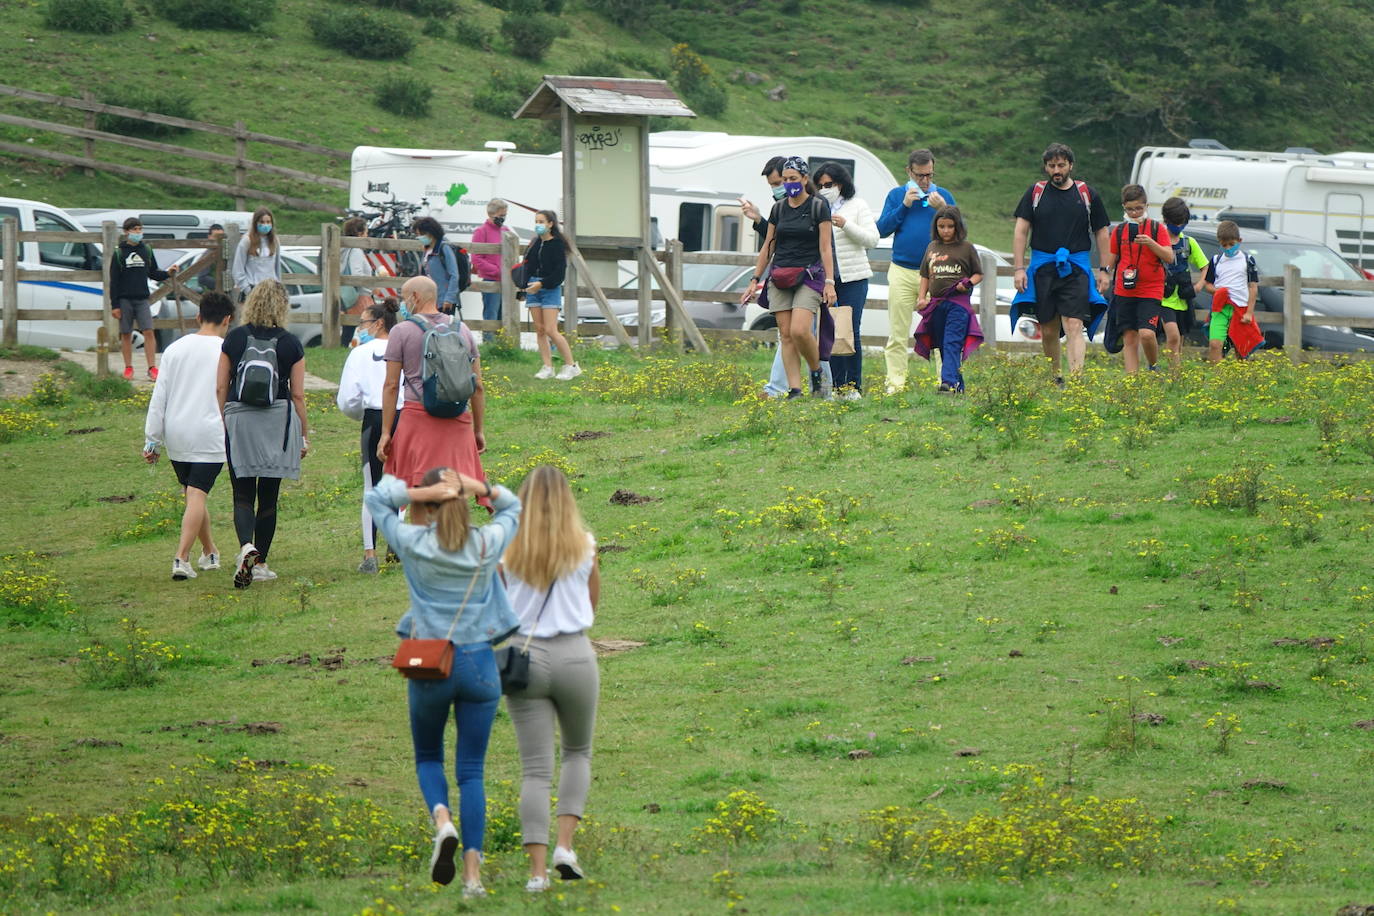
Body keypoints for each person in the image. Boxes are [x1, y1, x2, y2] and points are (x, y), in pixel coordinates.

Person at [364, 466, 520, 899]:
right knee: (472, 772)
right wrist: (481, 488)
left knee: (428, 756)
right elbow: (514, 507)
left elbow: (377, 498)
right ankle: (473, 878)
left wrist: (417, 492)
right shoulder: (486, 543)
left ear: (426, 508)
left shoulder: (413, 543)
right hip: (479, 663)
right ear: (464, 504)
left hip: (431, 662)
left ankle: (441, 821)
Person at [501, 465, 600, 893]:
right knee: (577, 752)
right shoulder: (584, 544)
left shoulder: (508, 546)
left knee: (534, 771)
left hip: (524, 656)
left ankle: (537, 873)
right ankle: (565, 846)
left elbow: (497, 604)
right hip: (574, 653)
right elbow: (592, 606)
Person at [216, 280, 308, 589]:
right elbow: (297, 395)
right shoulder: (291, 343)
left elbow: (220, 385)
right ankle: (261, 563)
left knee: (242, 493)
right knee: (269, 496)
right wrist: (303, 434)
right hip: (276, 419)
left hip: (240, 419)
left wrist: (224, 419)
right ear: (282, 307)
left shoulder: (235, 338)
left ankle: (245, 546)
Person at [143, 291, 235, 580]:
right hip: (210, 433)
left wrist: (152, 437)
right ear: (228, 319)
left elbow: (160, 396)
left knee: (193, 494)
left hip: (177, 433)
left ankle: (210, 551)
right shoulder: (228, 349)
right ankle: (181, 558)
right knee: (196, 494)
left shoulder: (175, 349)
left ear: (198, 316)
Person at [1010, 143, 1112, 383]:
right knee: (1048, 328)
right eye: (1052, 165)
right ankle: (1055, 377)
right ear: (1046, 167)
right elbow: (1020, 231)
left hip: (1075, 268)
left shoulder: (1087, 193)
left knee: (1075, 323)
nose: (1057, 170)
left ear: (1071, 166)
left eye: (1061, 165)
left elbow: (1102, 232)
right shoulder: (1035, 193)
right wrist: (1018, 268)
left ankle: (1076, 379)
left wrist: (1105, 270)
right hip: (1042, 267)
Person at [740, 156, 838, 399]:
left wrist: (830, 281)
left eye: (793, 179)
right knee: (785, 335)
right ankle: (795, 389)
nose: (789, 184)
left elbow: (826, 248)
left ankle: (816, 372)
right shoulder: (778, 209)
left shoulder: (818, 207)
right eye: (785, 180)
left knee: (800, 330)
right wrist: (755, 279)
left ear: (805, 179)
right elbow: (768, 247)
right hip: (780, 275)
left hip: (809, 275)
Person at [378, 276, 488, 490]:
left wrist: (386, 432)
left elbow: (391, 386)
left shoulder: (401, 331)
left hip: (418, 420)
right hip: (457, 420)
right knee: (455, 491)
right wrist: (478, 430)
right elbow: (478, 386)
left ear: (415, 297)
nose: (402, 304)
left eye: (403, 297)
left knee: (421, 490)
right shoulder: (462, 330)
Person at [876, 149, 954, 394]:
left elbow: (959, 233)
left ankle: (946, 380)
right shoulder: (897, 195)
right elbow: (881, 230)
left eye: (929, 175)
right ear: (909, 172)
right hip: (902, 269)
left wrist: (944, 209)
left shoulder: (944, 196)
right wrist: (904, 206)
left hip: (937, 272)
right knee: (898, 331)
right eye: (920, 176)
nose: (925, 181)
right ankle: (895, 383)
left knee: (941, 328)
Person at [337, 298, 404, 573]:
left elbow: (348, 398)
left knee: (371, 486)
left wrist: (359, 414)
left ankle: (370, 553)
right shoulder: (404, 348)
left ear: (378, 323)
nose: (360, 328)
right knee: (399, 481)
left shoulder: (360, 353)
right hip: (403, 416)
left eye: (363, 322)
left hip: (374, 417)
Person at [815, 162, 878, 399]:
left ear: (841, 184)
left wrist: (846, 224)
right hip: (826, 279)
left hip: (853, 278)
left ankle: (853, 386)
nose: (824, 189)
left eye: (828, 184)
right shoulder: (818, 207)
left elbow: (872, 239)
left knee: (851, 331)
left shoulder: (857, 205)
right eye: (820, 185)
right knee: (830, 330)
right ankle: (835, 385)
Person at [1104, 184, 1175, 373]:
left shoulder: (1156, 228)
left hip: (1151, 288)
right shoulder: (1119, 231)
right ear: (1124, 208)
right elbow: (1112, 258)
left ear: (1146, 206)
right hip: (1124, 288)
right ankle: (1132, 382)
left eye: (1138, 208)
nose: (1134, 213)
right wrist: (1104, 272)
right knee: (1129, 337)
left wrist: (1150, 243)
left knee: (1146, 333)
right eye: (1130, 209)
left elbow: (1169, 257)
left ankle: (1153, 365)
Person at [915, 207, 984, 393]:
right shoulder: (932, 247)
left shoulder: (966, 248)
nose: (945, 230)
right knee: (943, 344)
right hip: (936, 304)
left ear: (958, 227)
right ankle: (957, 385)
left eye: (950, 226)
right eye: (941, 226)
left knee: (952, 342)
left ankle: (947, 383)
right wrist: (922, 298)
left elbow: (978, 274)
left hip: (958, 305)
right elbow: (925, 275)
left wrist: (968, 283)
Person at [110, 217, 176, 381]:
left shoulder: (146, 250)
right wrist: (115, 305)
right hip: (125, 299)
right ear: (126, 232)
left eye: (140, 229)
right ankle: (128, 367)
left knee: (148, 331)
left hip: (142, 299)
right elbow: (114, 282)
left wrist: (168, 273)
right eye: (134, 229)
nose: (138, 232)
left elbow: (153, 272)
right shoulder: (119, 253)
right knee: (126, 333)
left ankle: (152, 367)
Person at [520, 210, 580, 380]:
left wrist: (542, 283)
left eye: (541, 221)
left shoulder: (558, 245)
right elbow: (528, 266)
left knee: (551, 330)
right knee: (539, 330)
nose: (538, 224)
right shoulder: (534, 243)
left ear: (550, 224)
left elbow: (559, 273)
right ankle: (547, 367)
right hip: (532, 287)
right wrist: (524, 287)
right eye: (536, 221)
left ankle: (571, 365)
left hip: (549, 288)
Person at [1158, 197, 1208, 369]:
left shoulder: (1189, 243)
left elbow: (1205, 266)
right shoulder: (1158, 240)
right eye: (1175, 223)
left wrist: (1200, 285)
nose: (1179, 227)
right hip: (1163, 298)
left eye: (1182, 223)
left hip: (1183, 298)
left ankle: (1174, 373)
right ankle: (1174, 374)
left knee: (1179, 339)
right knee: (1172, 336)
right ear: (1166, 220)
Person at [1202, 220, 1262, 363]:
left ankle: (1239, 380)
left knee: (1240, 348)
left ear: (1239, 241)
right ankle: (1216, 379)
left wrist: (1249, 312)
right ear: (1219, 243)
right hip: (1220, 309)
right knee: (1215, 344)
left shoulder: (1247, 260)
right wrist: (1218, 291)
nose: (1228, 248)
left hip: (1240, 309)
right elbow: (1208, 285)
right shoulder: (1216, 261)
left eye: (1231, 244)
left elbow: (1253, 287)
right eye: (1224, 245)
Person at [471, 199, 513, 341]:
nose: (503, 217)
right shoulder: (481, 232)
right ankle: (489, 345)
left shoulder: (506, 231)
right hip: (491, 280)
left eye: (505, 214)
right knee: (491, 314)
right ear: (491, 214)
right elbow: (476, 258)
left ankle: (503, 344)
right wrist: (497, 270)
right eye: (501, 215)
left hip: (507, 281)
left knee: (505, 314)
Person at [231, 207, 283, 300]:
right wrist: (248, 290)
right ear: (255, 223)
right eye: (262, 222)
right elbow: (237, 270)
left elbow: (277, 269)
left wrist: (278, 287)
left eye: (268, 222)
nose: (265, 225)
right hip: (252, 289)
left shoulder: (275, 241)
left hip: (271, 290)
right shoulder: (247, 241)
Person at [339, 216, 376, 346]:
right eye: (366, 232)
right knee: (370, 326)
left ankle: (343, 347)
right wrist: (371, 282)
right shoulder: (356, 251)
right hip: (361, 295)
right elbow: (357, 274)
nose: (367, 236)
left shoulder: (345, 250)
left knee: (350, 328)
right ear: (359, 234)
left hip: (353, 294)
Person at [413, 216, 461, 316]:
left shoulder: (444, 248)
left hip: (443, 301)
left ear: (429, 233)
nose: (418, 237)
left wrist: (449, 298)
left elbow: (454, 275)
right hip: (430, 301)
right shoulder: (426, 249)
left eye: (420, 234)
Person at [195, 224, 225, 292]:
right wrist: (222, 285)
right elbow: (202, 278)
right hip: (212, 295)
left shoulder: (226, 253)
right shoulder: (207, 255)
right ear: (209, 237)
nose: (219, 239)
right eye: (216, 236)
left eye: (221, 237)